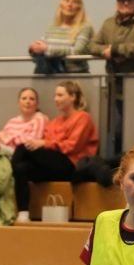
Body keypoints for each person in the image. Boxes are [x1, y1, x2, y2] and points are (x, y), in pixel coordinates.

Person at [11, 80, 99, 223]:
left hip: (72, 165)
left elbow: (72, 146)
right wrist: (45, 144)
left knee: (23, 148)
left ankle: (7, 180)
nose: (55, 99)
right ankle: (23, 212)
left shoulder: (83, 118)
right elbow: (49, 145)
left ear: (72, 97)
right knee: (21, 168)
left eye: (60, 95)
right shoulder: (54, 122)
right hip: (53, 165)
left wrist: (44, 143)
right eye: (55, 95)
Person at [28, 0, 94, 74]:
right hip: (52, 76)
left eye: (75, 2)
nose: (70, 5)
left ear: (79, 7)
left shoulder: (85, 27)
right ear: (61, 5)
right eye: (67, 1)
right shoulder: (53, 27)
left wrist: (47, 49)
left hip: (76, 77)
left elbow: (77, 51)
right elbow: (41, 48)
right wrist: (34, 48)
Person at [0, 88, 48, 153]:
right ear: (18, 103)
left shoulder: (40, 119)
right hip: (4, 151)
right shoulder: (12, 121)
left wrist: (8, 138)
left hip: (25, 155)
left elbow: (31, 143)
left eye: (32, 99)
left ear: (37, 104)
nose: (27, 102)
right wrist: (18, 138)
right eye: (24, 98)